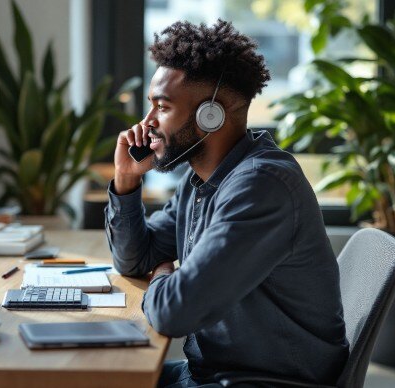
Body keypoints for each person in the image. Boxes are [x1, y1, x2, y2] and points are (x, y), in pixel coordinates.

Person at [105, 20, 349, 387]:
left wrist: (163, 274)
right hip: (210, 373)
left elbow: (174, 313)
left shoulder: (260, 187)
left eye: (163, 107)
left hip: (261, 381)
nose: (148, 122)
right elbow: (135, 258)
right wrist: (126, 181)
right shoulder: (201, 179)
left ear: (211, 115)